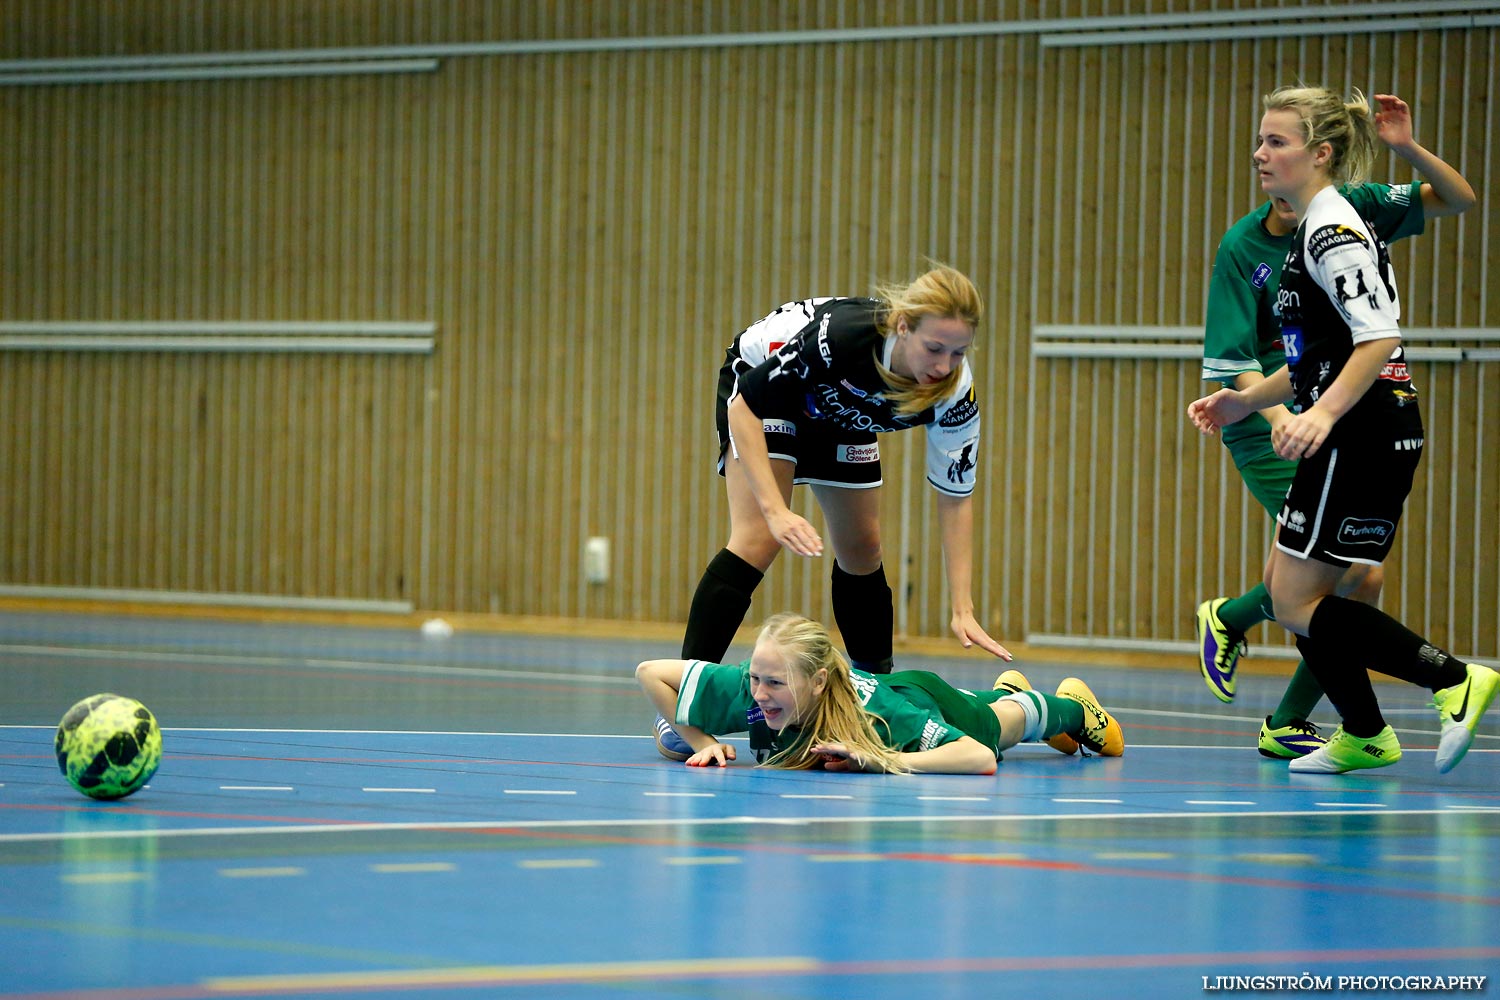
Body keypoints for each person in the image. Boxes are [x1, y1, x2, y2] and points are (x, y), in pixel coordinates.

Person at [1187, 85, 1496, 774]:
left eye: (1277, 141)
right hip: (1374, 430)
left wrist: (1322, 414)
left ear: (1320, 154)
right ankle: (1361, 731)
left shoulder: (1331, 229)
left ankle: (1452, 681)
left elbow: (1377, 336)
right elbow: (1317, 359)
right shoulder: (1310, 226)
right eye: (1261, 139)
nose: (1259, 153)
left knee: (1301, 599)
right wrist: (1242, 404)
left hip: (1357, 434)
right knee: (1298, 585)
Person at [656, 265, 1011, 760]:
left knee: (863, 549)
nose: (945, 364)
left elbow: (955, 495)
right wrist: (777, 510)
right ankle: (686, 701)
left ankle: (878, 698)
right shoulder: (841, 343)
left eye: (959, 352)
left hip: (842, 411)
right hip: (768, 395)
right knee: (759, 538)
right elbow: (745, 407)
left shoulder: (953, 391)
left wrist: (963, 605)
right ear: (902, 327)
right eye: (934, 349)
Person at [639, 613, 1123, 773]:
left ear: (818, 682)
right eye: (755, 679)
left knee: (1000, 727)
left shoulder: (879, 715)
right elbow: (650, 671)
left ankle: (1071, 710)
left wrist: (883, 759)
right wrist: (704, 743)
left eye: (774, 683)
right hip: (893, 692)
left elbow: (978, 758)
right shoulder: (755, 686)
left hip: (918, 699)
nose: (759, 695)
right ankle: (1006, 692)